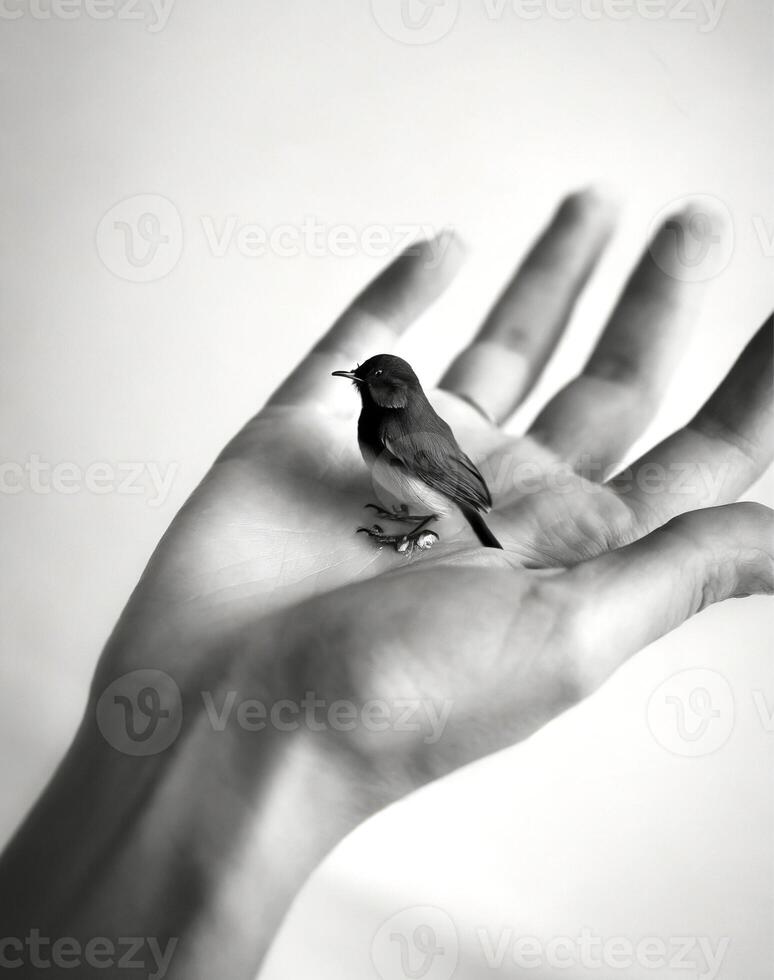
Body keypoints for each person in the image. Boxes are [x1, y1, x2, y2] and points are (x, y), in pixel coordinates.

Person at [0, 190, 771, 980]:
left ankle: (413, 530)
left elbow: (457, 489)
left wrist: (443, 525)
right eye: (364, 379)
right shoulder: (382, 425)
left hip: (451, 501)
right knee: (408, 508)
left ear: (396, 394)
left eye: (373, 379)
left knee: (416, 509)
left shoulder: (403, 433)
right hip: (434, 501)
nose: (363, 385)